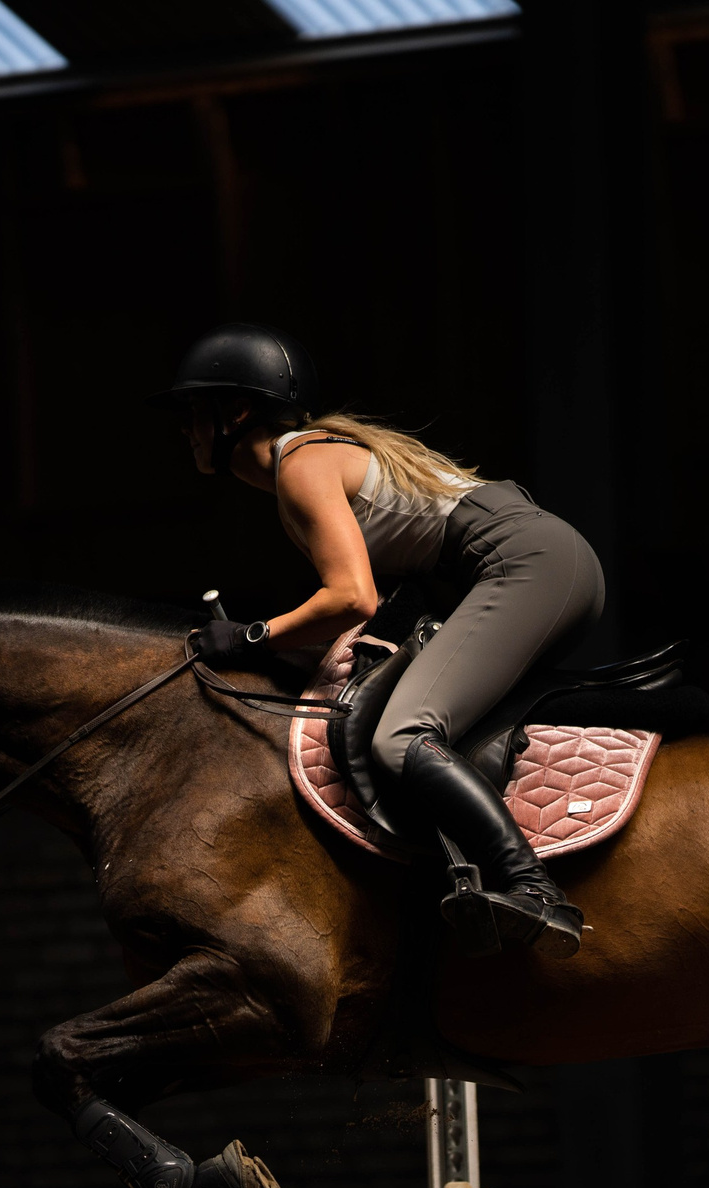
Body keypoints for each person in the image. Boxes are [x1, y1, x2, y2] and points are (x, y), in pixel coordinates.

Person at [148, 323, 603, 959]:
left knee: (402, 736)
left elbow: (349, 598)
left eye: (195, 412)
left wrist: (251, 634)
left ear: (238, 413)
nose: (185, 429)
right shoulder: (310, 460)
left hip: (521, 564)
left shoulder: (300, 466)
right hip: (529, 563)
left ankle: (532, 888)